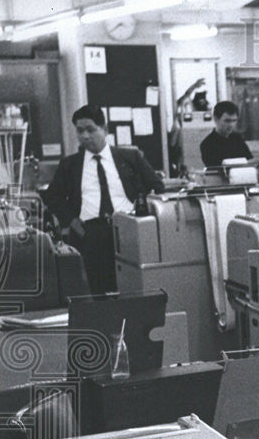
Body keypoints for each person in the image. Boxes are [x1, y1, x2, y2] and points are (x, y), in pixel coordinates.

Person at [42, 104, 164, 294]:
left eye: (90, 130)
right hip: (89, 232)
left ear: (104, 130)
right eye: (80, 131)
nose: (84, 136)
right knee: (97, 291)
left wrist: (142, 208)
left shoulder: (130, 157)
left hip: (128, 229)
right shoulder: (70, 165)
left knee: (133, 286)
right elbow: (52, 196)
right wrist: (72, 221)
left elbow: (157, 186)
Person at [167, 77, 205, 178]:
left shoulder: (197, 117)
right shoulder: (177, 125)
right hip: (180, 153)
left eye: (188, 105)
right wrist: (194, 86)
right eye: (184, 106)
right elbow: (185, 96)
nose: (186, 108)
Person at [200, 100, 252, 167]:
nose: (231, 125)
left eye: (234, 120)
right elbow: (215, 170)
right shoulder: (207, 144)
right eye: (227, 121)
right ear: (216, 119)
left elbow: (249, 161)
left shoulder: (238, 139)